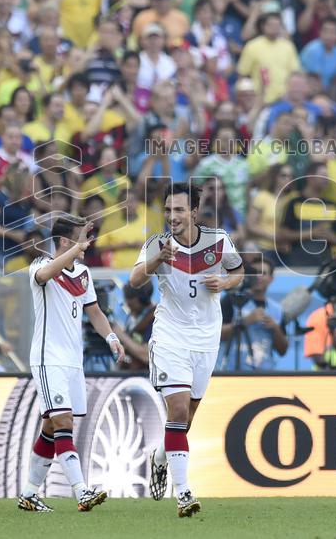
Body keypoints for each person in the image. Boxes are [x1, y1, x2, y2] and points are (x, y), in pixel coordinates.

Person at [130, 182, 244, 517]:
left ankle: (160, 457)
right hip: (171, 336)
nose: (172, 216)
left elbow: (238, 271)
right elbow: (134, 280)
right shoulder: (157, 244)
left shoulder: (218, 241)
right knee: (178, 411)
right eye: (168, 210)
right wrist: (157, 259)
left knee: (186, 418)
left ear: (194, 211)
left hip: (206, 339)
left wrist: (224, 282)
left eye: (179, 210)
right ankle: (183, 494)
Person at [18, 215, 124, 512]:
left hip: (73, 362)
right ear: (65, 241)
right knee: (63, 422)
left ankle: (29, 494)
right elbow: (46, 274)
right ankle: (81, 491)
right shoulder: (40, 266)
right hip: (48, 358)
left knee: (52, 428)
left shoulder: (84, 273)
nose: (87, 244)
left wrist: (111, 337)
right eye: (81, 239)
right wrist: (74, 248)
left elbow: (95, 312)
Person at [217, 257, 287, 371]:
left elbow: (282, 351)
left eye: (263, 273)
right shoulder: (231, 300)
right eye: (254, 273)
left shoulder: (277, 309)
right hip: (231, 373)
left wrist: (276, 329)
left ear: (271, 279)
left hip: (265, 374)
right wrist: (245, 321)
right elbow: (216, 335)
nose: (258, 277)